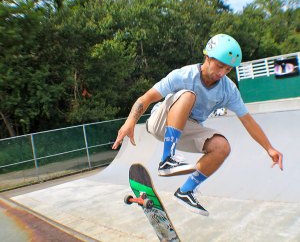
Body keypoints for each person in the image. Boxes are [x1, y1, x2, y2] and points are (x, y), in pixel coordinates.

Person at [112, 34, 283, 216]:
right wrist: (130, 121)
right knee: (188, 95)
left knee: (222, 147)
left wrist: (269, 148)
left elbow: (247, 120)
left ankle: (186, 191)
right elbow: (147, 97)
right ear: (207, 57)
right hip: (160, 121)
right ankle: (167, 159)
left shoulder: (228, 90)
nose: (222, 73)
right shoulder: (183, 75)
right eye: (219, 66)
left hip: (187, 128)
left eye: (228, 69)